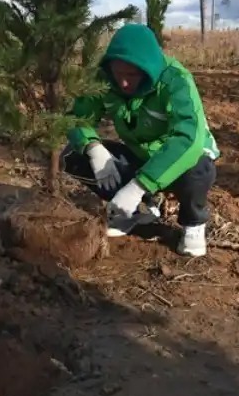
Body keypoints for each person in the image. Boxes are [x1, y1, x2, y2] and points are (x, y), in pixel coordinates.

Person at [62, 23, 219, 257]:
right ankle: (135, 211)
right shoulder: (103, 78)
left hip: (179, 158)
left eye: (132, 75)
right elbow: (78, 118)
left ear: (148, 70)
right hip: (141, 155)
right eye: (119, 74)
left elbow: (188, 140)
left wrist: (138, 186)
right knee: (74, 156)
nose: (124, 83)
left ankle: (193, 223)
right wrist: (93, 147)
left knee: (198, 167)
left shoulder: (175, 80)